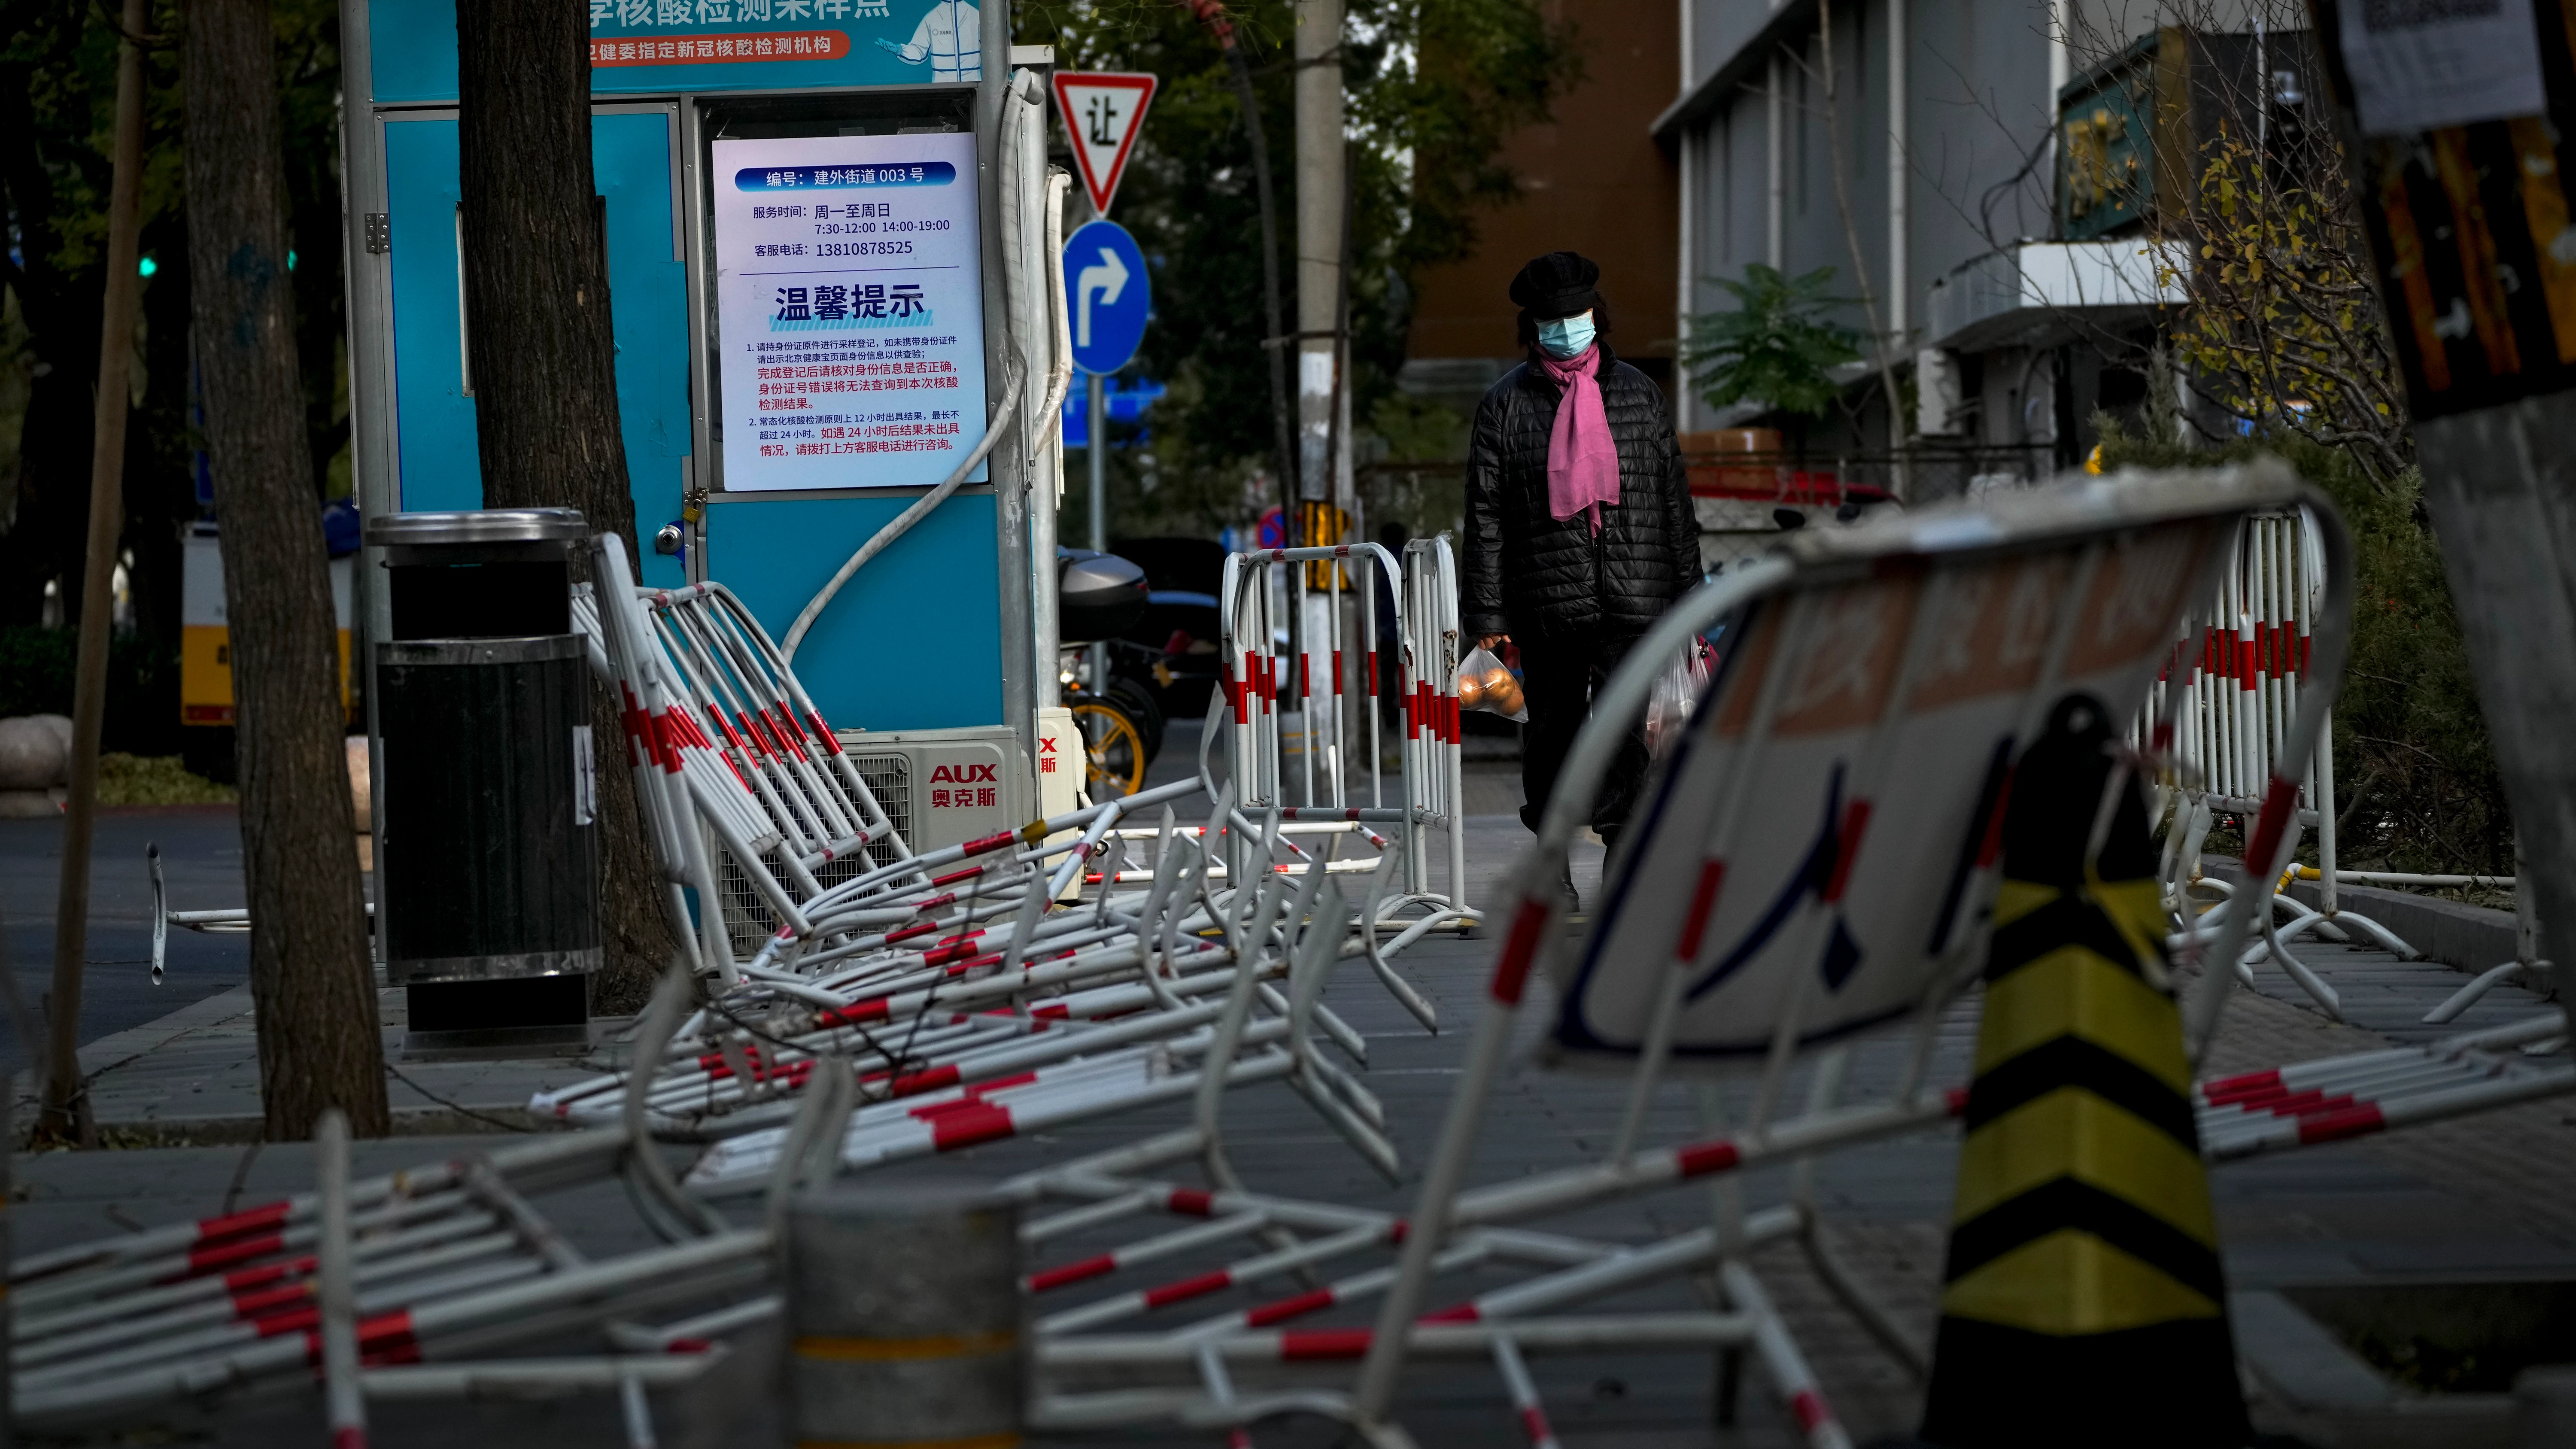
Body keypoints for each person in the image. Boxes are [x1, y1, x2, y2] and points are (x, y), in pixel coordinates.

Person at [1461, 251, 1698, 860]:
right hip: (1546, 604)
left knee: (1627, 737)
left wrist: (1692, 591)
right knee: (1553, 737)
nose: (1567, 329)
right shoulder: (1505, 406)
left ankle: (1624, 853)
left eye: (1578, 316)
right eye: (1554, 320)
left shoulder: (1640, 395)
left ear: (1598, 316)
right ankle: (1552, 855)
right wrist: (1487, 614)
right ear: (1534, 328)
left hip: (1635, 593)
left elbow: (1673, 497)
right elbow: (1485, 514)